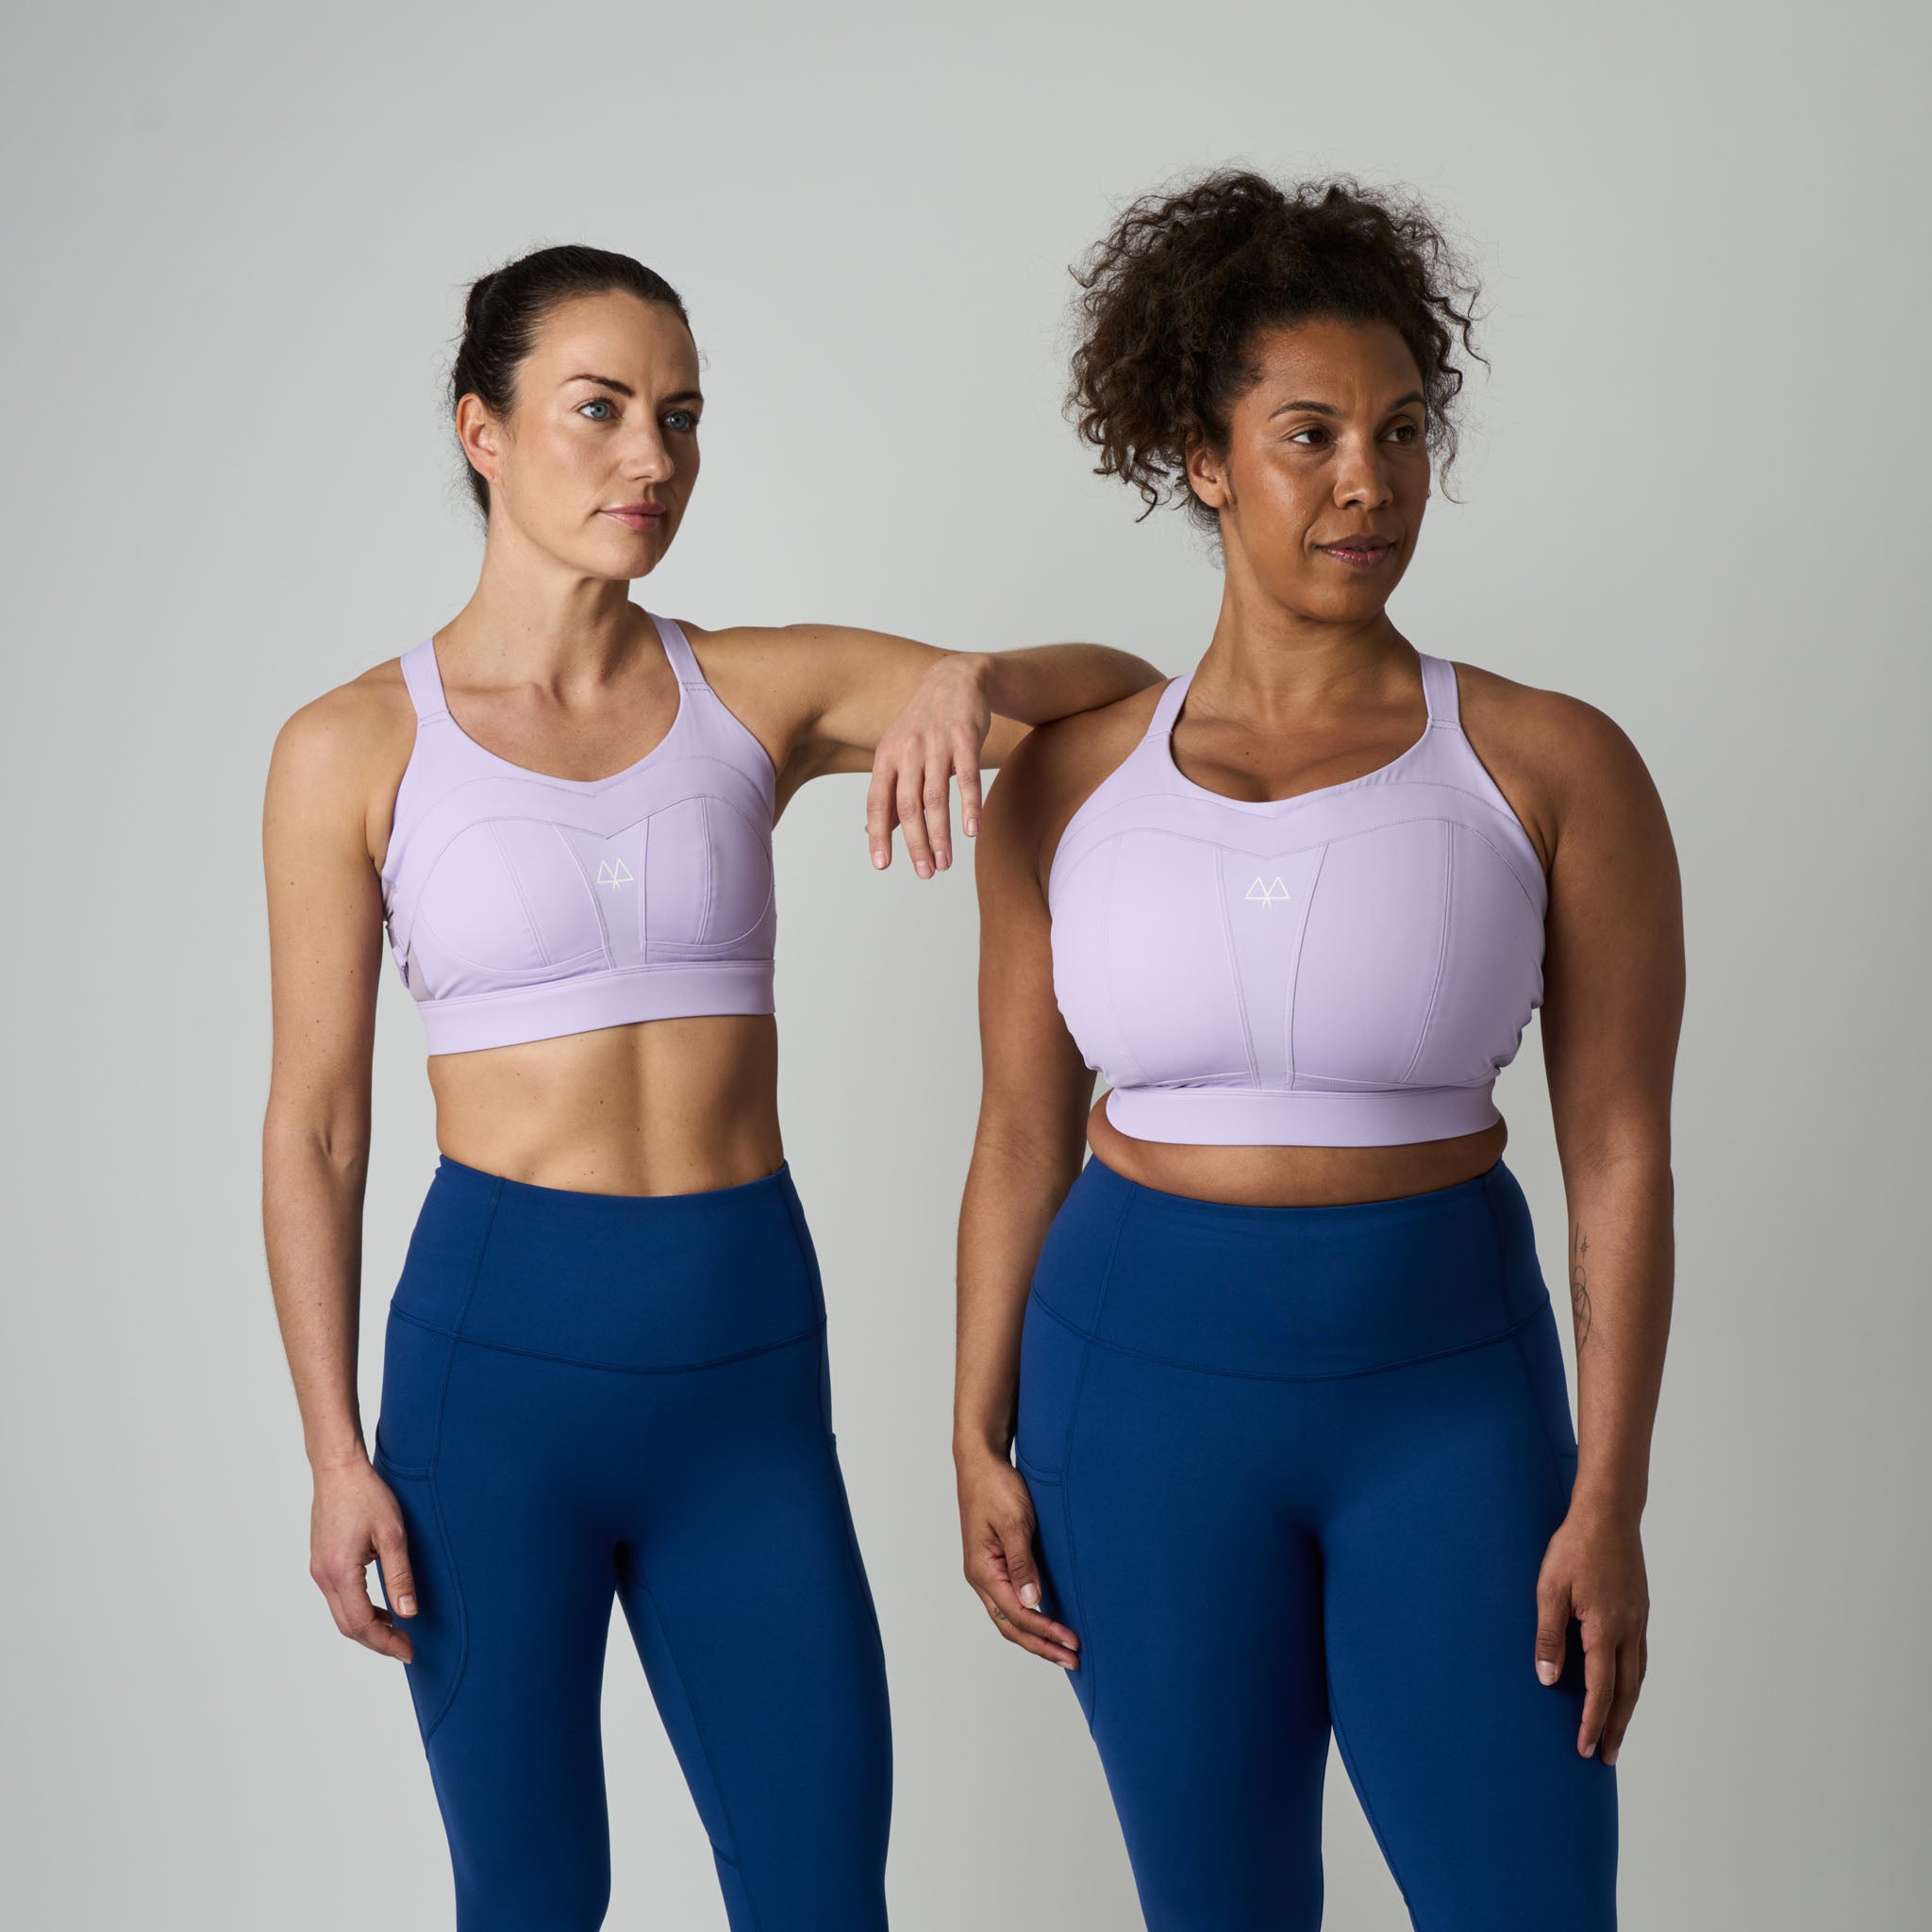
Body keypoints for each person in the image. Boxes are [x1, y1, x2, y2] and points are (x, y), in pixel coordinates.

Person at [260, 242, 1159, 1932]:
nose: (650, 459)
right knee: (531, 1899)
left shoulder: (750, 690)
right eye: (596, 411)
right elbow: (316, 1126)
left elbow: (1126, 696)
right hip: (489, 1384)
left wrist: (980, 680)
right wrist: (329, 1449)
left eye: (678, 416)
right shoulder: (351, 748)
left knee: (821, 1891)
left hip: (743, 1373)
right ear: (483, 430)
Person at [954, 170, 1681, 1930]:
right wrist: (970, 1428)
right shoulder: (1064, 781)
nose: (1372, 480)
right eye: (1310, 434)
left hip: (1447, 1399)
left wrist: (1611, 1497)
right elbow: (1020, 1136)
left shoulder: (1551, 763)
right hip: (1128, 1400)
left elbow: (1623, 1160)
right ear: (1202, 461)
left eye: (1406, 430)